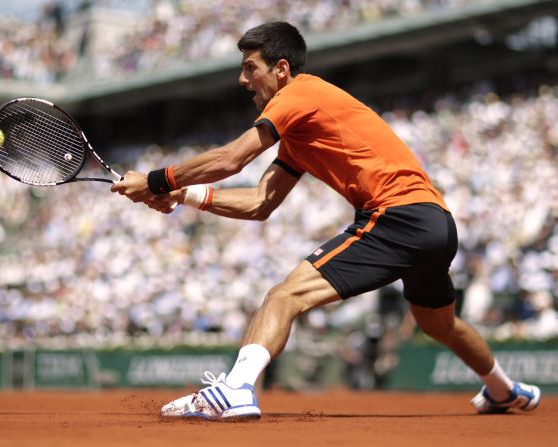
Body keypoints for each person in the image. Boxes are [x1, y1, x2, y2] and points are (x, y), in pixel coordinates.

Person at [111, 22, 541, 420]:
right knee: (438, 324)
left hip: (397, 216)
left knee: (283, 296)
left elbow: (231, 158)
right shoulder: (300, 130)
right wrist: (182, 194)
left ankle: (236, 389)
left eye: (249, 68)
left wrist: (154, 179)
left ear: (281, 69)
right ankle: (504, 389)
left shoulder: (298, 95)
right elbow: (260, 202)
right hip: (436, 223)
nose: (243, 80)